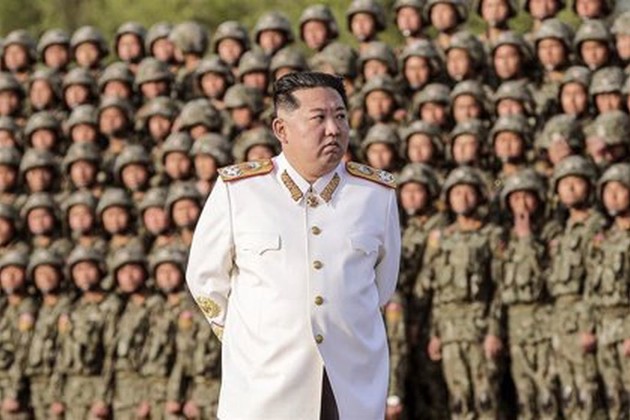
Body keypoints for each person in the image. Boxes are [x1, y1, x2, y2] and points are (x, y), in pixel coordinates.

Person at [186, 71, 401, 419]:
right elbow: (205, 278)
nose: (333, 129)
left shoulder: (374, 194)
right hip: (265, 385)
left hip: (348, 382)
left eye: (340, 116)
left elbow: (382, 284)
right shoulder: (239, 191)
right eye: (318, 118)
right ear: (281, 130)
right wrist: (252, 336)